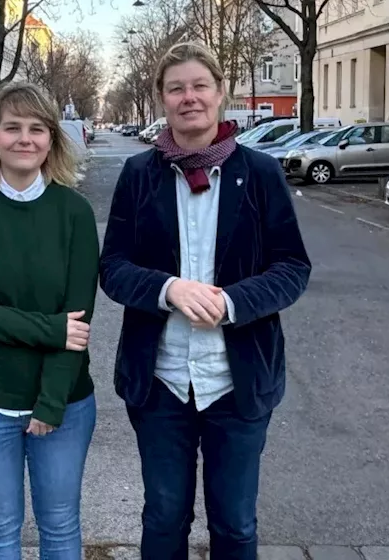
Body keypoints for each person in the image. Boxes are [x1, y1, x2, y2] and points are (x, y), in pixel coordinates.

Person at [99, 42, 312, 560]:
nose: (188, 97)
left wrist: (233, 301)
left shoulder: (260, 174)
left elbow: (292, 267)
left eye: (199, 86)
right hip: (160, 382)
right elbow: (113, 268)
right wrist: (168, 289)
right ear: (161, 99)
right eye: (176, 88)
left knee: (235, 524)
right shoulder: (139, 175)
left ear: (220, 93)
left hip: (236, 383)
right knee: (164, 517)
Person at [0, 81, 100, 560]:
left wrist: (50, 403)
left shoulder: (74, 212)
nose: (24, 139)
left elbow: (79, 317)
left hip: (64, 407)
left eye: (37, 128)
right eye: (12, 128)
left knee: (60, 527)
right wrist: (48, 328)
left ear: (52, 139)